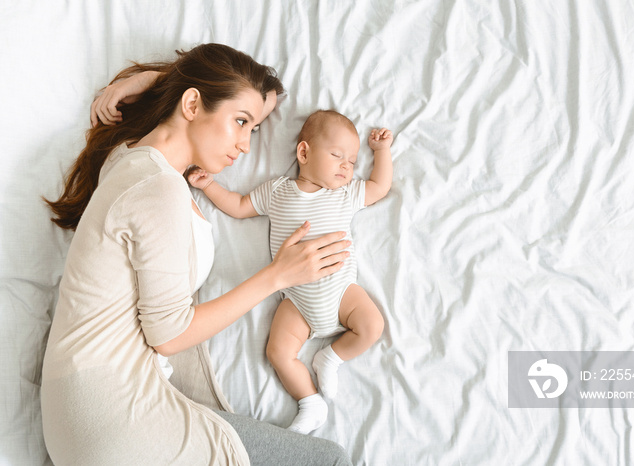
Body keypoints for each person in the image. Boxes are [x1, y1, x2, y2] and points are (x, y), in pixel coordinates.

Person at [41, 43, 352, 465]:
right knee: (328, 460)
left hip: (75, 416)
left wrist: (154, 82)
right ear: (191, 103)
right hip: (114, 418)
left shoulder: (127, 159)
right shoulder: (158, 191)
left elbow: (256, 93)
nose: (244, 145)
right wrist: (277, 276)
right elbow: (169, 336)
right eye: (240, 123)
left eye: (254, 130)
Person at [186, 110, 394, 434]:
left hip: (341, 291)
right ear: (304, 152)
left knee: (372, 325)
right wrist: (209, 185)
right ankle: (310, 401)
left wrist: (381, 152)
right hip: (296, 299)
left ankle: (331, 358)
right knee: (278, 352)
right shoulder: (277, 192)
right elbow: (240, 206)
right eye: (337, 155)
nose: (346, 166)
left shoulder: (345, 193)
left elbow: (380, 186)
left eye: (352, 161)